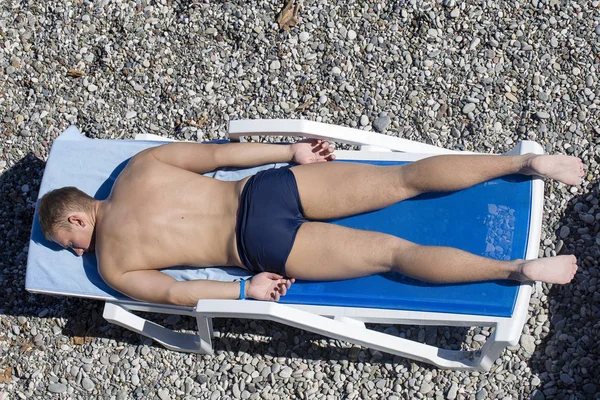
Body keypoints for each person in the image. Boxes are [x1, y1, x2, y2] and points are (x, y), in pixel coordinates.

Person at [38, 139, 583, 306]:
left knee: (391, 254)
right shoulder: (139, 167)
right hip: (268, 188)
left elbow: (173, 293)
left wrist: (243, 292)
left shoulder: (111, 263)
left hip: (256, 244)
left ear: (79, 214)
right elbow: (215, 156)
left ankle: (517, 270)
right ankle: (526, 164)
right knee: (406, 179)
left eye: (69, 240)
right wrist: (291, 149)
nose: (75, 252)